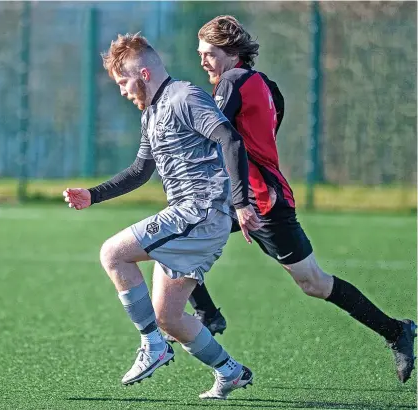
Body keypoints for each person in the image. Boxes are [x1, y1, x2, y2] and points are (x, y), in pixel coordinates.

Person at [167, 15, 416, 387]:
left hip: (260, 201)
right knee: (174, 236)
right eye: (200, 54)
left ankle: (396, 330)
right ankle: (206, 314)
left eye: (209, 54)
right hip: (248, 194)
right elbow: (262, 129)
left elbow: (215, 135)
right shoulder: (265, 83)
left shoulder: (231, 81)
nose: (203, 61)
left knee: (313, 282)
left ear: (232, 53)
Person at [63, 32, 262, 400]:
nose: (123, 91)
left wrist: (241, 202)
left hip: (199, 212)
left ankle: (152, 345)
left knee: (113, 253)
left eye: (124, 82)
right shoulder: (151, 114)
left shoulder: (185, 96)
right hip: (190, 215)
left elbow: (230, 140)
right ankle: (230, 371)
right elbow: (140, 171)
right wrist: (93, 195)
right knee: (169, 316)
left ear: (144, 73)